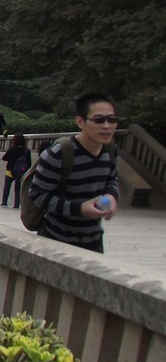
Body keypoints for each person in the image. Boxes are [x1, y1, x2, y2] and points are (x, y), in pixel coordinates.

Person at [27, 93, 119, 253]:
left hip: (94, 242)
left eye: (111, 120)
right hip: (55, 240)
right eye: (98, 120)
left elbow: (112, 180)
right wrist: (79, 209)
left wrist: (111, 196)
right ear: (80, 121)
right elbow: (37, 195)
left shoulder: (110, 150)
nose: (106, 126)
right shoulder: (59, 153)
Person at [1, 133, 31, 208]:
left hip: (10, 171)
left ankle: (4, 202)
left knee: (7, 187)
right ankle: (16, 204)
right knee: (18, 188)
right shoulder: (26, 150)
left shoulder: (11, 149)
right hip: (21, 172)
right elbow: (29, 163)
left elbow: (4, 158)